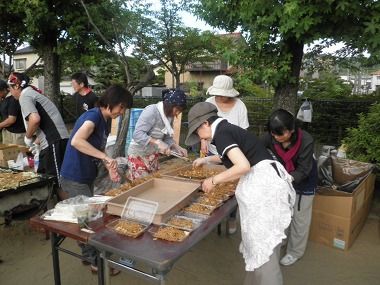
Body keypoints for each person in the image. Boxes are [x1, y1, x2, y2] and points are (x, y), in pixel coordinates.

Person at [185, 102, 295, 285]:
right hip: (269, 184)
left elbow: (243, 165)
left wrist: (213, 180)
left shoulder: (221, 134)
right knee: (260, 247)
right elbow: (230, 155)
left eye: (196, 131)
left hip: (264, 189)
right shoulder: (227, 130)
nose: (198, 136)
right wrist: (206, 159)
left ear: (205, 123)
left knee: (263, 248)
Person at [60, 83, 133, 275]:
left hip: (86, 174)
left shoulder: (106, 119)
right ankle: (95, 262)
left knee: (85, 217)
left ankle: (87, 255)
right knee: (87, 220)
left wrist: (109, 167)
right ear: (111, 102)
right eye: (121, 107)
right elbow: (76, 141)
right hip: (74, 175)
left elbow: (98, 148)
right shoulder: (93, 116)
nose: (121, 112)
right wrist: (106, 158)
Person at [260, 109, 318, 266]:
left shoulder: (306, 140)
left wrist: (288, 178)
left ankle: (295, 252)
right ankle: (282, 240)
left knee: (300, 217)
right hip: (284, 178)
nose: (277, 138)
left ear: (292, 129)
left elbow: (304, 169)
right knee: (282, 213)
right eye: (274, 134)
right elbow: (256, 149)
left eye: (281, 134)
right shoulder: (271, 137)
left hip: (303, 180)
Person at [7, 72, 70, 200]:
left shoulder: (25, 96)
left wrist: (28, 137)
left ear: (16, 85)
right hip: (55, 140)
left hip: (54, 141)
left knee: (57, 183)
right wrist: (37, 141)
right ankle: (47, 213)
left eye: (10, 88)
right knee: (42, 177)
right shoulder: (34, 94)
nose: (10, 92)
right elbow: (49, 121)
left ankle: (71, 215)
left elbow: (35, 120)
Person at [202, 74, 249, 234]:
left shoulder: (240, 106)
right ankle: (213, 218)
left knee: (233, 186)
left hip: (234, 153)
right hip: (213, 151)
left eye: (222, 94)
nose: (219, 97)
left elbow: (243, 133)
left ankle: (231, 218)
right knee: (212, 184)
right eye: (217, 93)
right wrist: (203, 141)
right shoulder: (208, 103)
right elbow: (203, 125)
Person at [127, 88, 188, 181]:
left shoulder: (169, 116)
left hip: (153, 154)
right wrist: (158, 142)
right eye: (177, 109)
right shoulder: (152, 111)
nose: (178, 113)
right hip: (138, 154)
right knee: (141, 186)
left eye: (180, 110)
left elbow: (167, 137)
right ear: (169, 105)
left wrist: (177, 147)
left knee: (153, 183)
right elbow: (137, 134)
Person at [0, 79, 26, 145]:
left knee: (19, 154)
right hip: (8, 132)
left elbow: (11, 119)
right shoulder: (3, 99)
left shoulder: (14, 98)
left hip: (18, 134)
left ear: (4, 90)